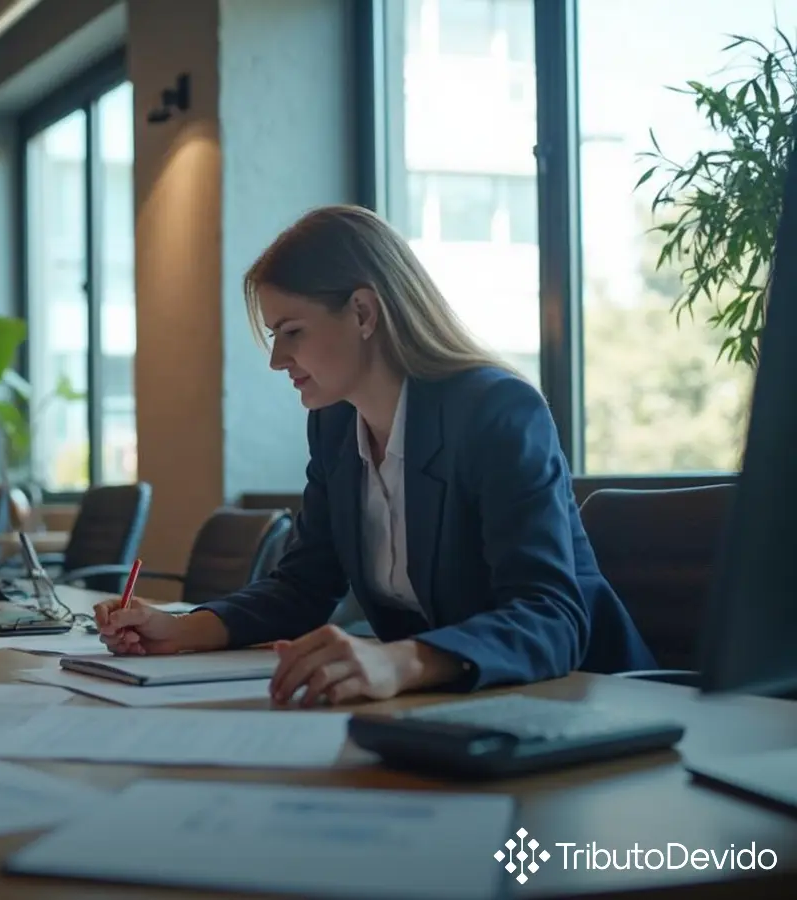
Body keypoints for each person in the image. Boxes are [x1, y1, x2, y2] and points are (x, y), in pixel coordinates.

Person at [95, 204, 656, 707]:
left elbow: (550, 617)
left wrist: (399, 660)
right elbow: (304, 584)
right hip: (450, 708)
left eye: (291, 331)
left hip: (586, 703)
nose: (277, 360)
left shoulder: (498, 412)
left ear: (363, 313)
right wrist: (184, 629)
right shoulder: (335, 426)